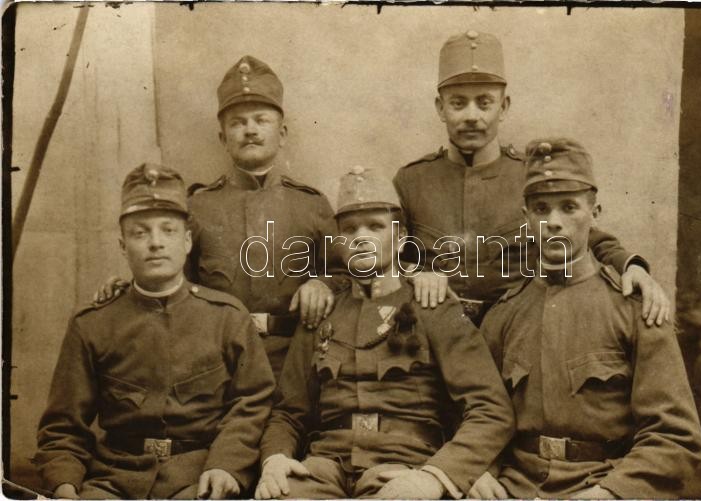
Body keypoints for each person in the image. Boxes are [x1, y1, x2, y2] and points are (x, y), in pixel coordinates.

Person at [254, 166, 514, 499]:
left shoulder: (432, 307)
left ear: (401, 237)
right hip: (323, 467)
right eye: (349, 229)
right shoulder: (322, 311)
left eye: (375, 227)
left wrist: (436, 476)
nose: (360, 237)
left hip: (404, 469)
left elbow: (491, 410)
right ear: (338, 241)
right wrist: (275, 459)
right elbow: (290, 412)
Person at [475, 139, 701, 499]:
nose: (554, 222)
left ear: (595, 213)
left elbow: (675, 438)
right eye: (540, 209)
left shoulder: (634, 310)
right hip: (516, 487)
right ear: (526, 217)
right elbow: (477, 416)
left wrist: (610, 493)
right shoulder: (503, 315)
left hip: (602, 483)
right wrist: (480, 473)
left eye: (569, 207)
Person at [394, 31, 670, 327]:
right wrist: (416, 273)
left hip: (517, 329)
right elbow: (384, 254)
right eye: (458, 103)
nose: (471, 115)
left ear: (504, 107)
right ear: (440, 108)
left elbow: (586, 234)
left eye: (484, 102)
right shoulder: (413, 182)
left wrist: (634, 267)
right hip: (436, 333)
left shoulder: (529, 175)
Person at [35, 164, 275, 499]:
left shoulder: (227, 317)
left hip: (198, 476)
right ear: (122, 245)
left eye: (168, 230)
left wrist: (226, 465)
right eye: (140, 233)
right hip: (113, 478)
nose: (156, 243)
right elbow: (63, 428)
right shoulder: (92, 324)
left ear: (188, 241)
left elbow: (252, 404)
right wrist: (65, 486)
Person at [95, 55, 342, 380]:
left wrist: (322, 283)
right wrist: (128, 291)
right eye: (237, 123)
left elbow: (349, 275)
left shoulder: (313, 205)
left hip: (296, 360)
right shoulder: (196, 208)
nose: (250, 130)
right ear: (223, 138)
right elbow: (171, 282)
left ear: (282, 134)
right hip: (216, 363)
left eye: (260, 120)